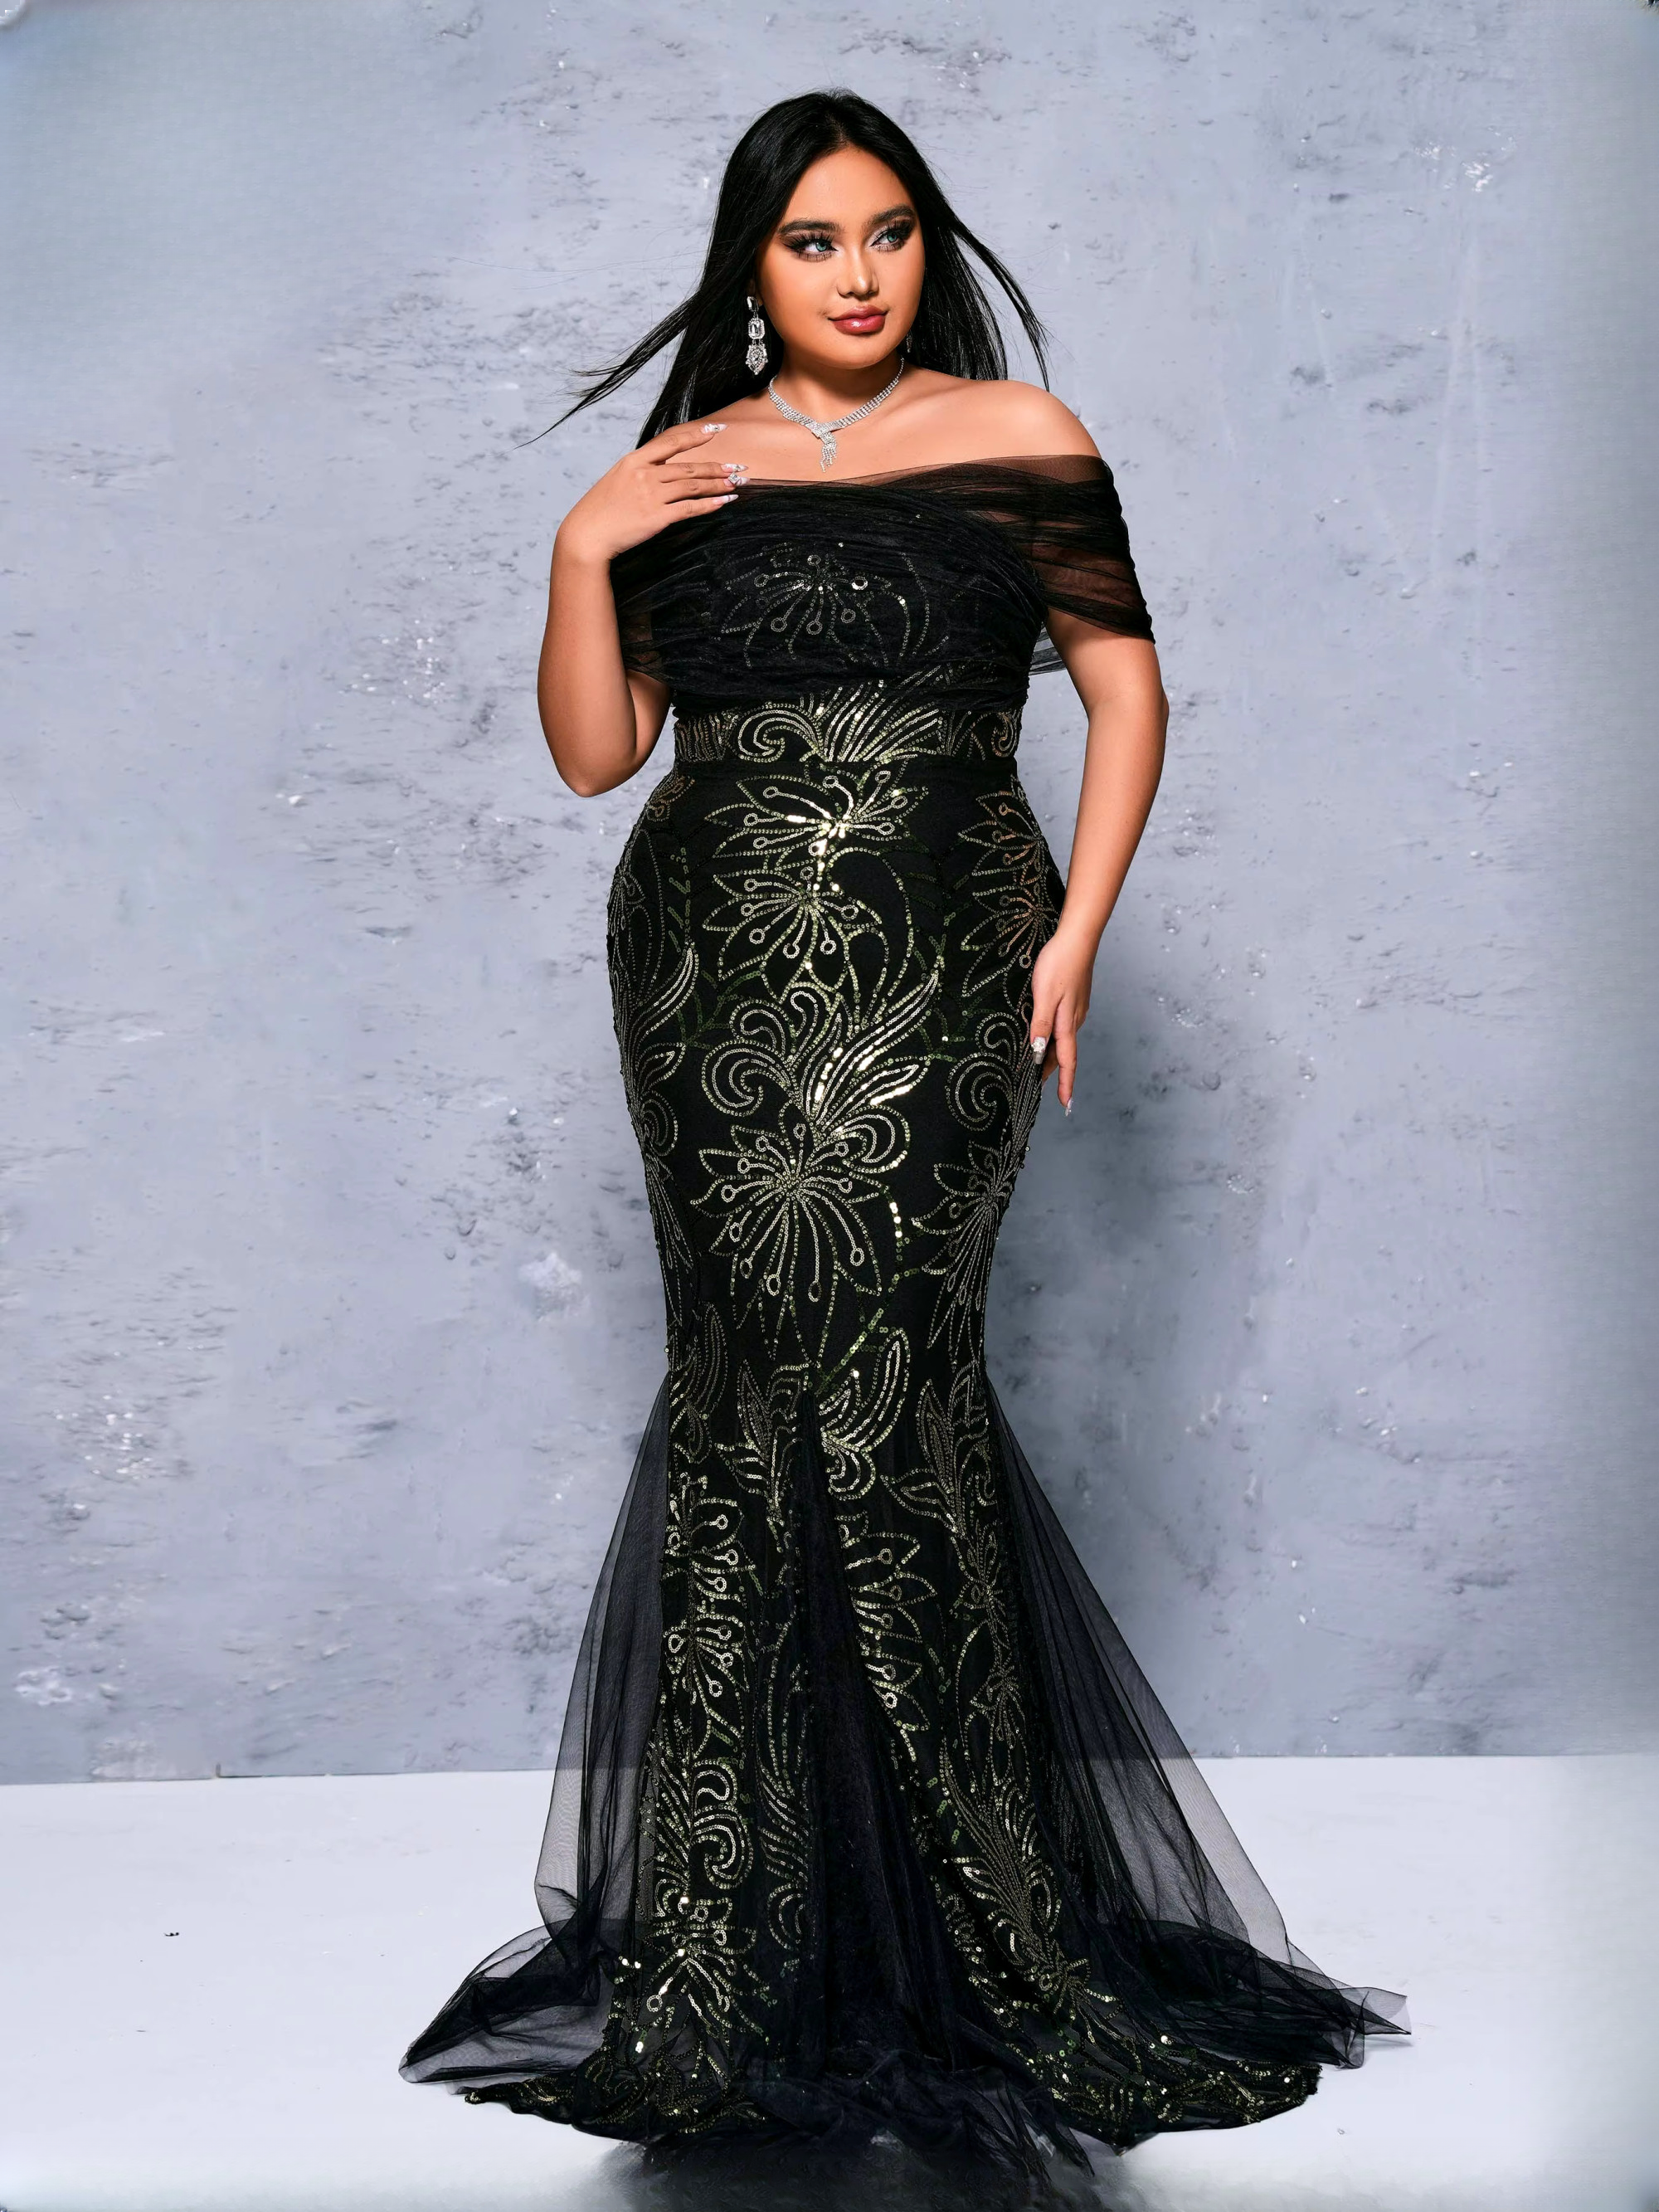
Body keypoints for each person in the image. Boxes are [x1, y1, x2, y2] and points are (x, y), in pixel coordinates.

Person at [401, 88, 1405, 2177]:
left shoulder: (1023, 437)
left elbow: (1123, 692)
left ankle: (982, 1932)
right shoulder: (682, 471)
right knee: (749, 1383)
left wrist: (1076, 934)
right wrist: (581, 546)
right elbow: (596, 757)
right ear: (750, 267)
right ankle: (745, 1944)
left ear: (926, 245)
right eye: (810, 243)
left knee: (888, 1385)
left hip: (949, 952)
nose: (856, 275)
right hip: (710, 971)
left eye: (886, 233)